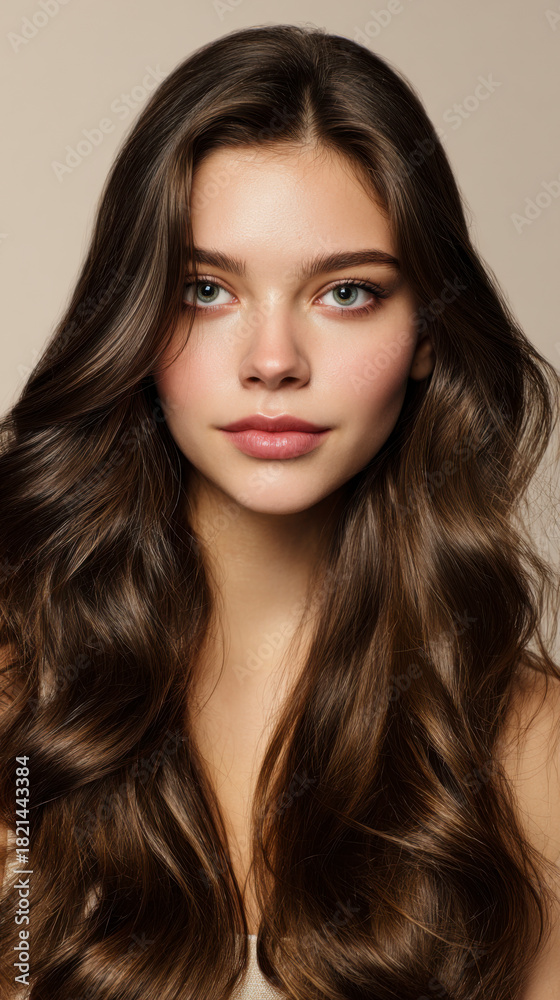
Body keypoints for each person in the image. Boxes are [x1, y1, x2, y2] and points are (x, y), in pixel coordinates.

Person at [1, 22, 559, 1000]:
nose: (272, 360)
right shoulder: (23, 718)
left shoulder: (533, 751)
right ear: (133, 320)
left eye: (344, 291)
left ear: (426, 331)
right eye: (205, 289)